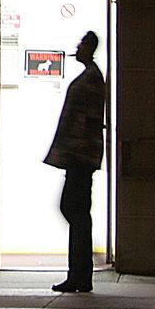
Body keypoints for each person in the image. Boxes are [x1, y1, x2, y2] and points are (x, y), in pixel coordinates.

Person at [43, 30, 107, 293]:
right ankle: (80, 273)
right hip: (80, 157)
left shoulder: (91, 79)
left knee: (74, 210)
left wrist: (73, 152)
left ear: (90, 47)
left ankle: (80, 273)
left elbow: (88, 120)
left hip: (80, 157)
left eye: (81, 44)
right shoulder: (91, 76)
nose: (77, 48)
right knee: (77, 211)